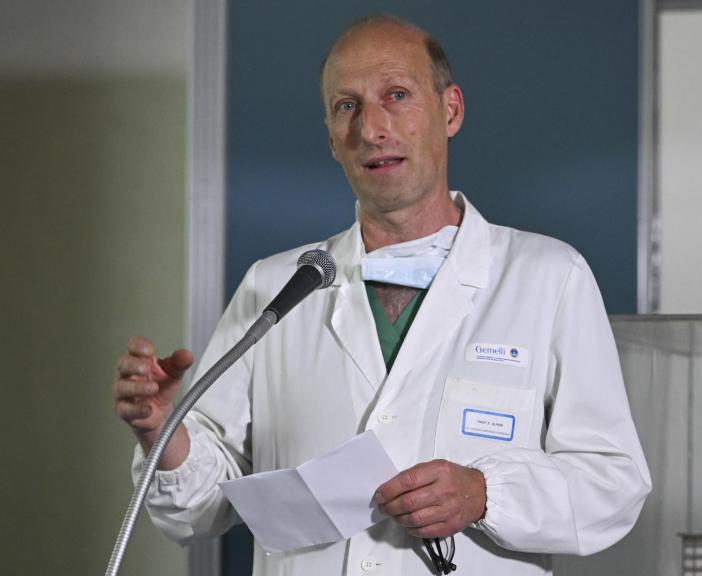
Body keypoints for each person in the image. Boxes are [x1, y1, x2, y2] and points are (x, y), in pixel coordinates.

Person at [113, 14, 651, 576]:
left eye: (396, 95)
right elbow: (199, 508)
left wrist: (485, 493)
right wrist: (163, 433)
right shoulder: (274, 288)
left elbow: (612, 485)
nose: (371, 129)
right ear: (330, 139)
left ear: (451, 111)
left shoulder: (547, 278)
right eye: (347, 106)